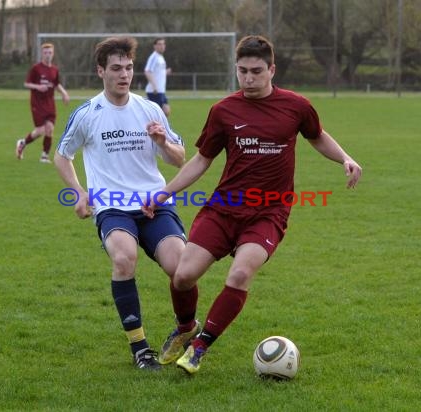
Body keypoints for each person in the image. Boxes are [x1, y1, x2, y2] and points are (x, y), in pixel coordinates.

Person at [143, 35, 362, 374]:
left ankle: (200, 347)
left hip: (269, 211)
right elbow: (202, 160)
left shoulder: (296, 106)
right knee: (183, 276)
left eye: (256, 71)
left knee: (242, 272)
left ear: (272, 69)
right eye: (242, 71)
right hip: (224, 207)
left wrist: (345, 158)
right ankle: (187, 328)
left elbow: (317, 136)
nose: (248, 78)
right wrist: (164, 193)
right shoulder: (223, 111)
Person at [54, 36, 196, 371]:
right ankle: (140, 349)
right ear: (100, 71)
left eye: (129, 67)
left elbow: (180, 159)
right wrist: (79, 192)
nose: (124, 74)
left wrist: (163, 141)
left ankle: (187, 330)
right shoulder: (88, 114)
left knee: (182, 269)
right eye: (116, 68)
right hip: (112, 205)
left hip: (154, 203)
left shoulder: (149, 108)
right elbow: (63, 156)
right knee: (123, 258)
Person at [16, 42, 70, 163]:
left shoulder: (55, 69)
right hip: (37, 103)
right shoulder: (36, 68)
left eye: (50, 52)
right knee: (40, 130)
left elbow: (56, 84)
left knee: (50, 128)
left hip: (50, 103)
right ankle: (23, 143)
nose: (48, 55)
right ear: (42, 54)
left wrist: (64, 93)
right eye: (45, 53)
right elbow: (26, 83)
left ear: (53, 53)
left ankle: (44, 156)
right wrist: (38, 87)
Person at [144, 38, 172, 117]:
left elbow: (157, 73)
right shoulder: (154, 57)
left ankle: (163, 128)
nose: (162, 46)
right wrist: (154, 87)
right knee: (157, 115)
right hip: (154, 91)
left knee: (166, 111)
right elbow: (147, 71)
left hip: (161, 91)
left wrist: (166, 72)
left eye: (163, 44)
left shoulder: (161, 57)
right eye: (159, 44)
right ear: (155, 46)